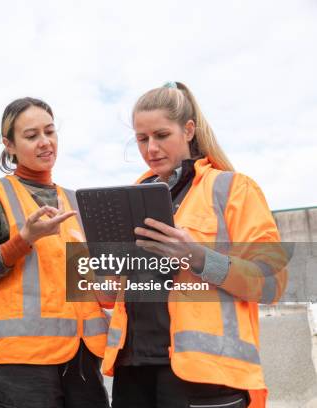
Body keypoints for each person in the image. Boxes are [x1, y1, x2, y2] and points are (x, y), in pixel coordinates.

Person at [102, 82, 287, 408]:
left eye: (161, 135)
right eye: (142, 139)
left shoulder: (233, 189)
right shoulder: (130, 197)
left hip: (205, 376)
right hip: (133, 370)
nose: (151, 148)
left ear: (188, 130)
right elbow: (113, 293)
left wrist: (197, 257)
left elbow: (271, 283)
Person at [0, 97, 110, 408]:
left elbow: (88, 283)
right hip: (21, 364)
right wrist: (23, 240)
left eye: (50, 132)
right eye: (31, 136)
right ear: (9, 145)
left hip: (82, 363)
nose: (45, 143)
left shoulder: (76, 201)